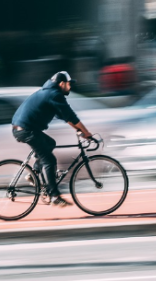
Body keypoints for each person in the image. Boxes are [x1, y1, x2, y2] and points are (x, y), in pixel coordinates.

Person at [11, 71, 95, 207]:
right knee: (50, 160)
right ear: (61, 83)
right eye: (69, 84)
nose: (70, 87)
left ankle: (34, 173)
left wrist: (79, 130)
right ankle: (55, 195)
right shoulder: (55, 94)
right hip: (26, 130)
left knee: (50, 143)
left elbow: (66, 117)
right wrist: (86, 132)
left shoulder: (49, 93)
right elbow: (71, 116)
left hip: (24, 128)